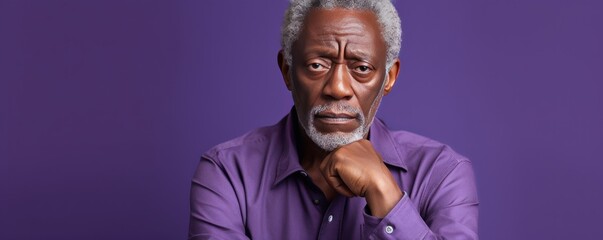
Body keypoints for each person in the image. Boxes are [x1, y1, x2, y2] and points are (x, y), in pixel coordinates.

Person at [189, 0, 479, 239]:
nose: (337, 88)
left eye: (361, 68)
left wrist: (384, 193)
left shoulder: (443, 174)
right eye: (317, 65)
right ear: (287, 71)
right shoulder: (227, 172)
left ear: (388, 78)